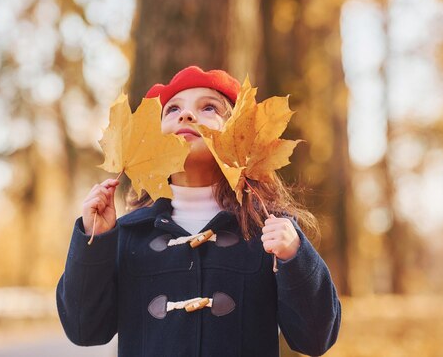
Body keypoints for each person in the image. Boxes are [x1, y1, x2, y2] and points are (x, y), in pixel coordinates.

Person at [56, 66, 341, 356]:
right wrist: (94, 239)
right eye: (172, 109)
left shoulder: (268, 230)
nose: (186, 115)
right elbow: (84, 329)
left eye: (208, 107)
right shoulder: (128, 235)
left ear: (239, 136)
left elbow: (316, 337)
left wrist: (295, 255)